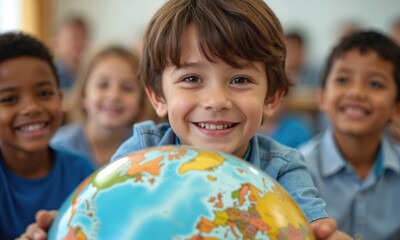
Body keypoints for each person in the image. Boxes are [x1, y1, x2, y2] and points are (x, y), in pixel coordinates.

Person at [19, 0, 352, 239]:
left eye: (240, 80)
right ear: (158, 97)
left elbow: (310, 228)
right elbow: (105, 220)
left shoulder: (283, 168)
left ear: (272, 97)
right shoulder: (142, 153)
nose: (216, 101)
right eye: (192, 79)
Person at [298, 30, 400, 239]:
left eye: (375, 84)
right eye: (343, 80)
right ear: (322, 97)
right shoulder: (296, 168)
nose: (356, 92)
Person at [0, 32, 94, 239]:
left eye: (44, 94)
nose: (31, 108)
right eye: (9, 99)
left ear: (60, 99)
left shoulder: (82, 171)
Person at [50, 46, 160, 168]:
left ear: (141, 103)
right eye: (103, 85)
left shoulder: (148, 150)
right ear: (83, 94)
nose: (114, 95)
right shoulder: (56, 148)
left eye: (127, 88)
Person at [52, 15, 90, 95]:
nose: (79, 42)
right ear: (56, 44)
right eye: (73, 38)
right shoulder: (52, 73)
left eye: (83, 37)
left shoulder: (91, 71)